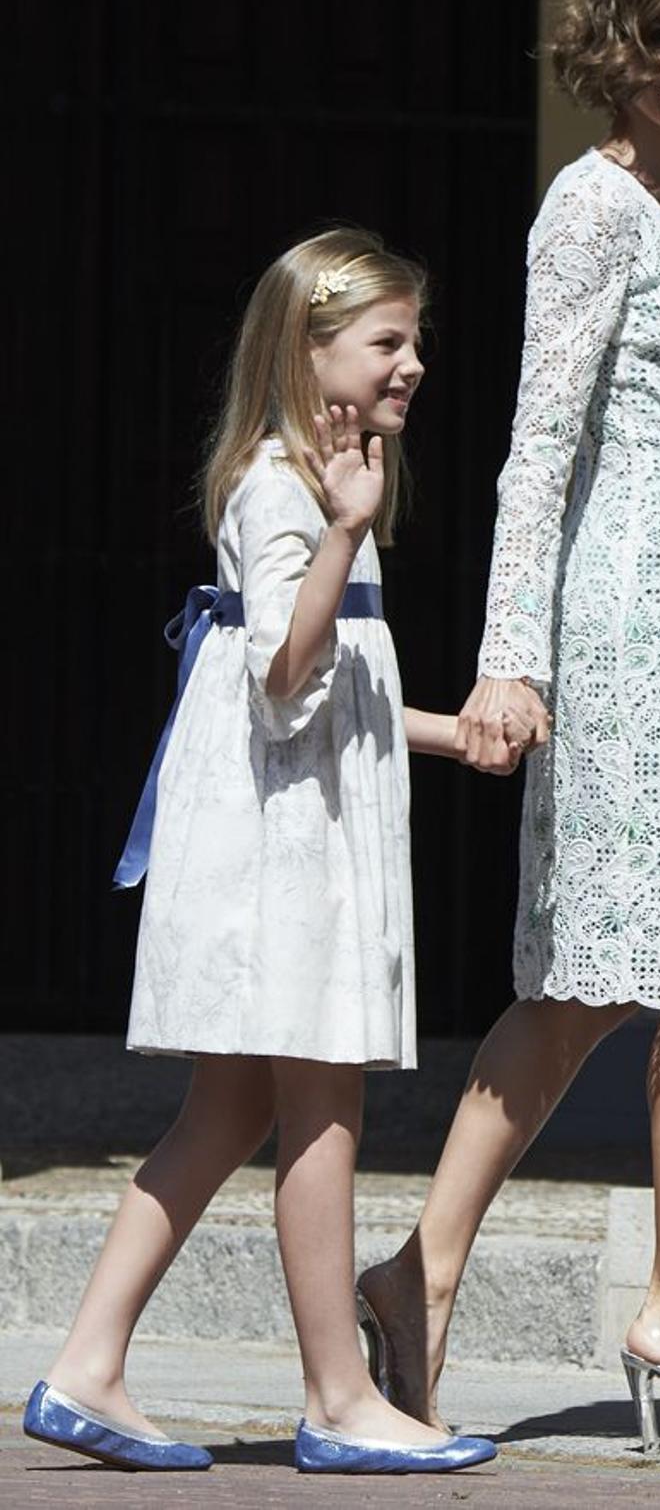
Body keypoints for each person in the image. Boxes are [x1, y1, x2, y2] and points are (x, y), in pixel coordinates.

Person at [355, 0, 660, 1450]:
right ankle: (623, 1302)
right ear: (619, 43)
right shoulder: (593, 204)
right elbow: (536, 444)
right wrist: (511, 657)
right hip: (618, 626)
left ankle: (461, 1276)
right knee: (616, 976)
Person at [23, 230, 501, 1477]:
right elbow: (288, 678)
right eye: (388, 341)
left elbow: (323, 682)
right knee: (320, 1100)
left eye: (414, 341)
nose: (413, 364)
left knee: (230, 1106)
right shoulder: (287, 489)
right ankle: (339, 1398)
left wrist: (451, 733)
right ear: (311, 348)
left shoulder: (319, 482)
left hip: (297, 827)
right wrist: (344, 530)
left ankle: (87, 1366)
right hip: (286, 853)